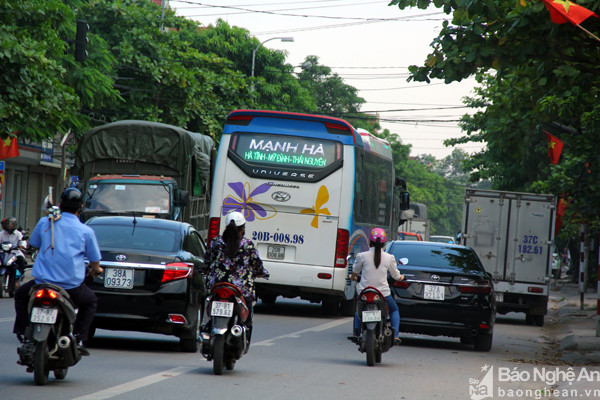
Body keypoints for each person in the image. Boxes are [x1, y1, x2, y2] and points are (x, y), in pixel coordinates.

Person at [13, 188, 103, 355]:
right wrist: (96, 269)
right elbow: (94, 259)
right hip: (70, 287)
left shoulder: (46, 222)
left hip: (41, 284)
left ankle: (23, 331)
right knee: (90, 302)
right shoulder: (86, 231)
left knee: (20, 295)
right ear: (80, 207)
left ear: (60, 205)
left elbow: (34, 243)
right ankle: (78, 337)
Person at [203, 211, 269, 341]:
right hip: (241, 288)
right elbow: (256, 264)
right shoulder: (247, 244)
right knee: (248, 306)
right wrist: (262, 272)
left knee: (206, 299)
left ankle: (206, 327)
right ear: (243, 228)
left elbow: (207, 262)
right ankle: (245, 331)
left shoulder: (216, 242)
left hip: (217, 285)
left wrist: (204, 270)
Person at [350, 228, 405, 345]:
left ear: (370, 241)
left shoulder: (362, 256)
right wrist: (402, 277)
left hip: (364, 292)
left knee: (358, 309)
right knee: (394, 309)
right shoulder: (389, 258)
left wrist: (352, 276)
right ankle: (395, 335)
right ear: (384, 243)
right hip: (383, 294)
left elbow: (355, 272)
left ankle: (355, 332)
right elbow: (396, 276)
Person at [0, 216, 28, 295]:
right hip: (3, 254)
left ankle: (16, 281)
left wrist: (22, 246)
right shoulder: (1, 234)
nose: (9, 226)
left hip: (15, 253)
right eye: (8, 224)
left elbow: (22, 241)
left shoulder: (18, 234)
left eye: (11, 224)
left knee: (22, 262)